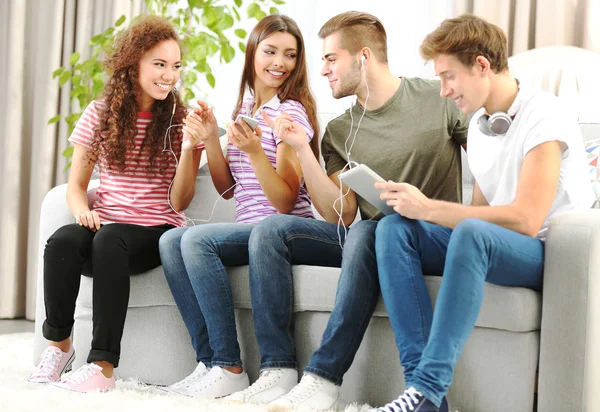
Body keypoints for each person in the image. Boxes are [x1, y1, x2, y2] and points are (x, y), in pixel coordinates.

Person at [234, 11, 469, 410]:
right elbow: (338, 215)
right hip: (373, 241)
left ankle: (324, 377)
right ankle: (283, 372)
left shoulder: (437, 98)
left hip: (431, 238)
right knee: (281, 230)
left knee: (369, 232)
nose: (321, 69)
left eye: (330, 58)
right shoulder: (342, 130)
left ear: (362, 56)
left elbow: (491, 159)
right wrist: (303, 149)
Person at [370, 14, 595, 412]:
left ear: (481, 65)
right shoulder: (480, 125)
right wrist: (417, 210)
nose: (443, 91)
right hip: (495, 245)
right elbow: (474, 215)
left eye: (449, 77)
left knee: (471, 233)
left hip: (546, 252)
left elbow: (526, 219)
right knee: (393, 229)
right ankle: (422, 397)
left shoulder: (546, 113)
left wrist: (431, 207)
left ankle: (427, 386)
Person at [27, 16, 203, 392]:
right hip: (108, 229)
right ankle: (59, 348)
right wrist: (81, 212)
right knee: (62, 241)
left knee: (109, 240)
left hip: (155, 231)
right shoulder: (100, 113)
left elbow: (182, 199)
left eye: (175, 66)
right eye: (159, 64)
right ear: (133, 63)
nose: (169, 75)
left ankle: (102, 368)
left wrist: (190, 148)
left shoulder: (180, 119)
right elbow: (76, 185)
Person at [157, 14, 319, 399]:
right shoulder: (247, 106)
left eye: (290, 55)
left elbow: (284, 201)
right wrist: (213, 138)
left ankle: (229, 364)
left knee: (196, 241)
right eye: (271, 51)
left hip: (279, 233)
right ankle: (210, 360)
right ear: (252, 53)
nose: (280, 63)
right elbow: (229, 189)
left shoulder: (289, 113)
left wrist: (252, 152)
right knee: (171, 241)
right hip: (248, 227)